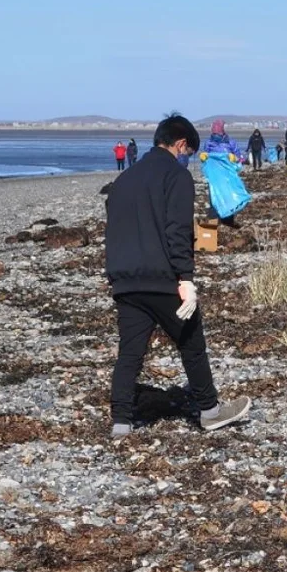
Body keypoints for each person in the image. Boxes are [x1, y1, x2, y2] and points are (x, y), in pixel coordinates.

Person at [104, 114, 252, 436]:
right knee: (191, 343)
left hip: (125, 280)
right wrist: (186, 278)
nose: (188, 160)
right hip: (163, 279)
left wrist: (115, 275)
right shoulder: (177, 177)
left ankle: (121, 422)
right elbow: (178, 231)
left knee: (130, 352)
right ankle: (210, 411)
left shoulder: (124, 180)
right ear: (181, 145)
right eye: (188, 153)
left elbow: (114, 230)